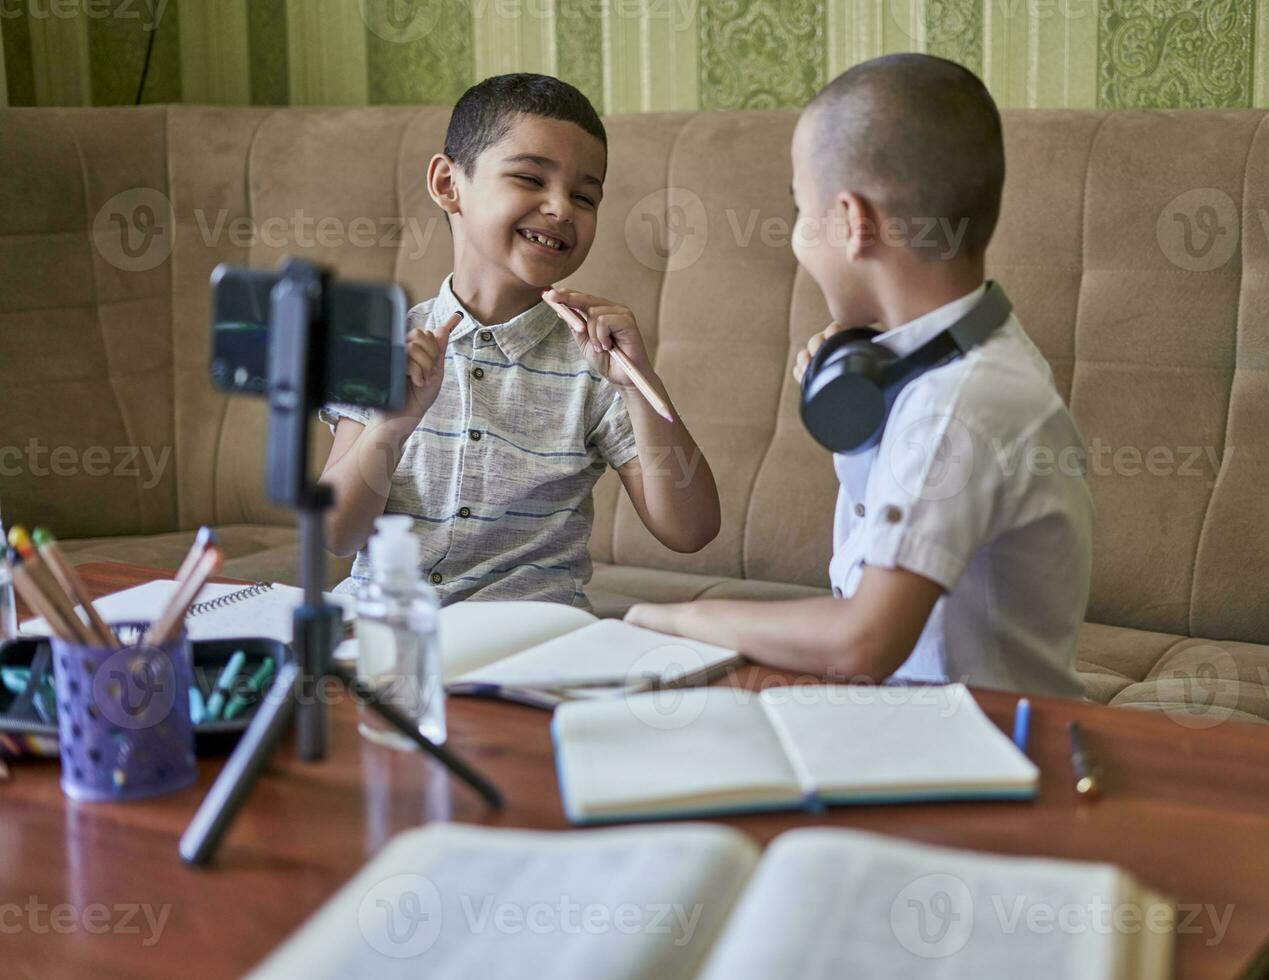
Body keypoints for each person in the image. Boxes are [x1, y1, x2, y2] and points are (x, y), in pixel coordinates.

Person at [626, 54, 1093, 698]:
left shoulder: (960, 400)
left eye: (799, 209)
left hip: (975, 750)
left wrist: (678, 619)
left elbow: (862, 642)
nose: (795, 237)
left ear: (851, 222)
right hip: (914, 720)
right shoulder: (948, 364)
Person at [320, 74, 720, 610]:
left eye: (584, 196)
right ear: (448, 184)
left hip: (530, 640)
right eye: (531, 178)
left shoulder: (596, 364)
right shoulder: (382, 347)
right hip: (387, 627)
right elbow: (334, 534)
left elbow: (690, 530)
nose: (561, 208)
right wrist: (391, 424)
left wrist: (639, 386)